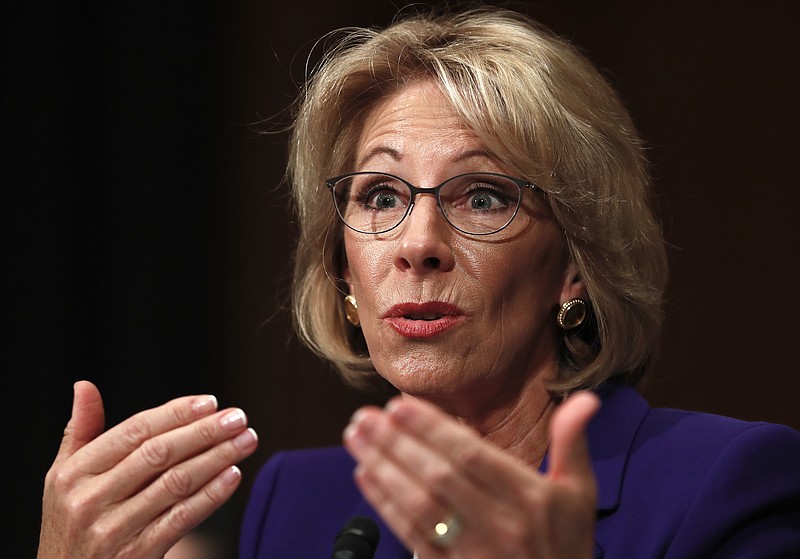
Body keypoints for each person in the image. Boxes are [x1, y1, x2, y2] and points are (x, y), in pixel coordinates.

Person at [37, 6, 800, 559]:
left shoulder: (726, 484)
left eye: (484, 196)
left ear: (575, 266)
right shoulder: (298, 503)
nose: (419, 245)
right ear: (342, 268)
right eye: (381, 196)